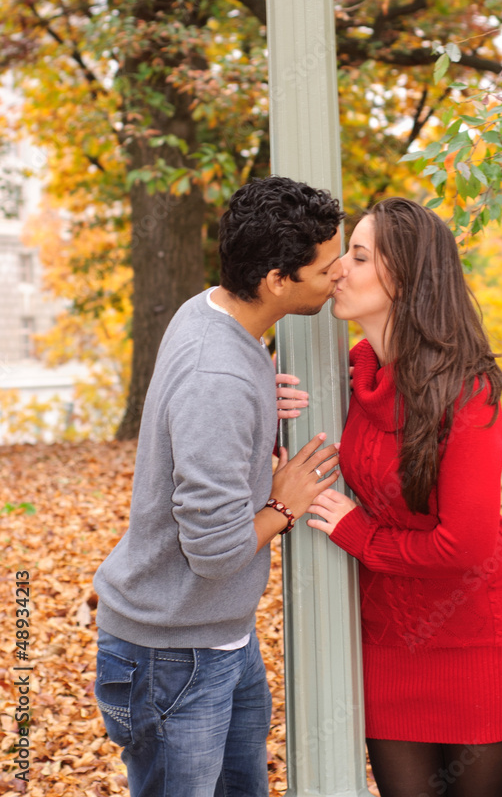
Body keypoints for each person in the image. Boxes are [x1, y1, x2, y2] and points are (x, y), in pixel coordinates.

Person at [94, 175, 343, 797]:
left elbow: (204, 419)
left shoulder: (210, 310)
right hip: (173, 655)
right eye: (325, 269)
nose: (338, 276)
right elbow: (214, 551)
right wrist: (284, 503)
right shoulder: (219, 377)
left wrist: (257, 400)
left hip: (218, 638)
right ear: (277, 280)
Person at [307, 197, 502, 797]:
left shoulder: (468, 391)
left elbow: (464, 546)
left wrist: (358, 535)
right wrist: (280, 403)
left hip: (479, 647)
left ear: (406, 277)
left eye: (358, 256)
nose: (338, 268)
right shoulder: (351, 380)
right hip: (388, 648)